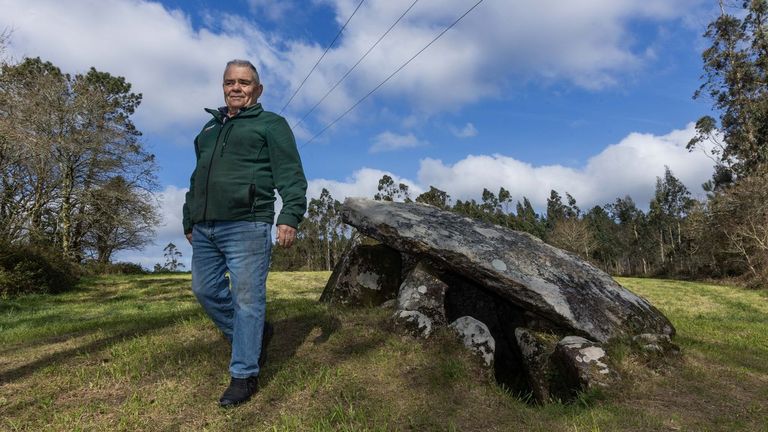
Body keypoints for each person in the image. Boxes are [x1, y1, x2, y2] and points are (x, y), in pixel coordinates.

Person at [182, 59, 307, 407]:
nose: (236, 88)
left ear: (258, 88)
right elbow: (196, 178)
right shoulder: (208, 130)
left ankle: (243, 375)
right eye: (229, 82)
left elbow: (291, 173)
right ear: (223, 87)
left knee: (248, 300)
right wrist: (189, 218)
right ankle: (253, 335)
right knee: (204, 290)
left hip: (248, 224)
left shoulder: (271, 125)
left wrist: (290, 215)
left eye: (244, 82)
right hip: (205, 226)